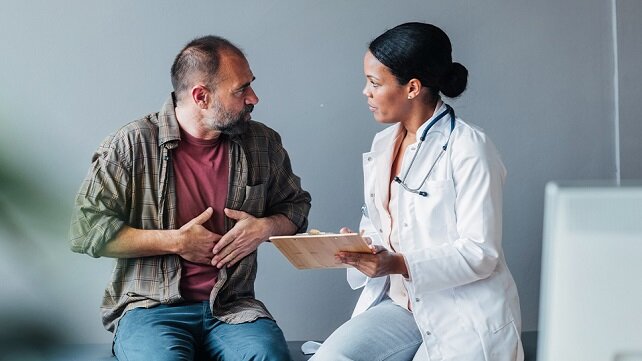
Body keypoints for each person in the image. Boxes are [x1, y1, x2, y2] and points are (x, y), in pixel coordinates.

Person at [70, 35, 311, 361]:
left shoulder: (262, 142)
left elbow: (295, 206)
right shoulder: (130, 144)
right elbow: (85, 231)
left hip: (232, 306)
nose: (254, 97)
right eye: (241, 89)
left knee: (268, 356)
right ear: (201, 96)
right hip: (149, 308)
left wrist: (265, 227)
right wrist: (176, 241)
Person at [311, 22, 523, 361]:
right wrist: (364, 246)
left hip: (462, 312)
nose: (365, 92)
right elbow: (384, 223)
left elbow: (481, 252)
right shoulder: (383, 144)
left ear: (412, 88)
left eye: (374, 83)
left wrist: (397, 263)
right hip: (403, 305)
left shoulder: (469, 147)